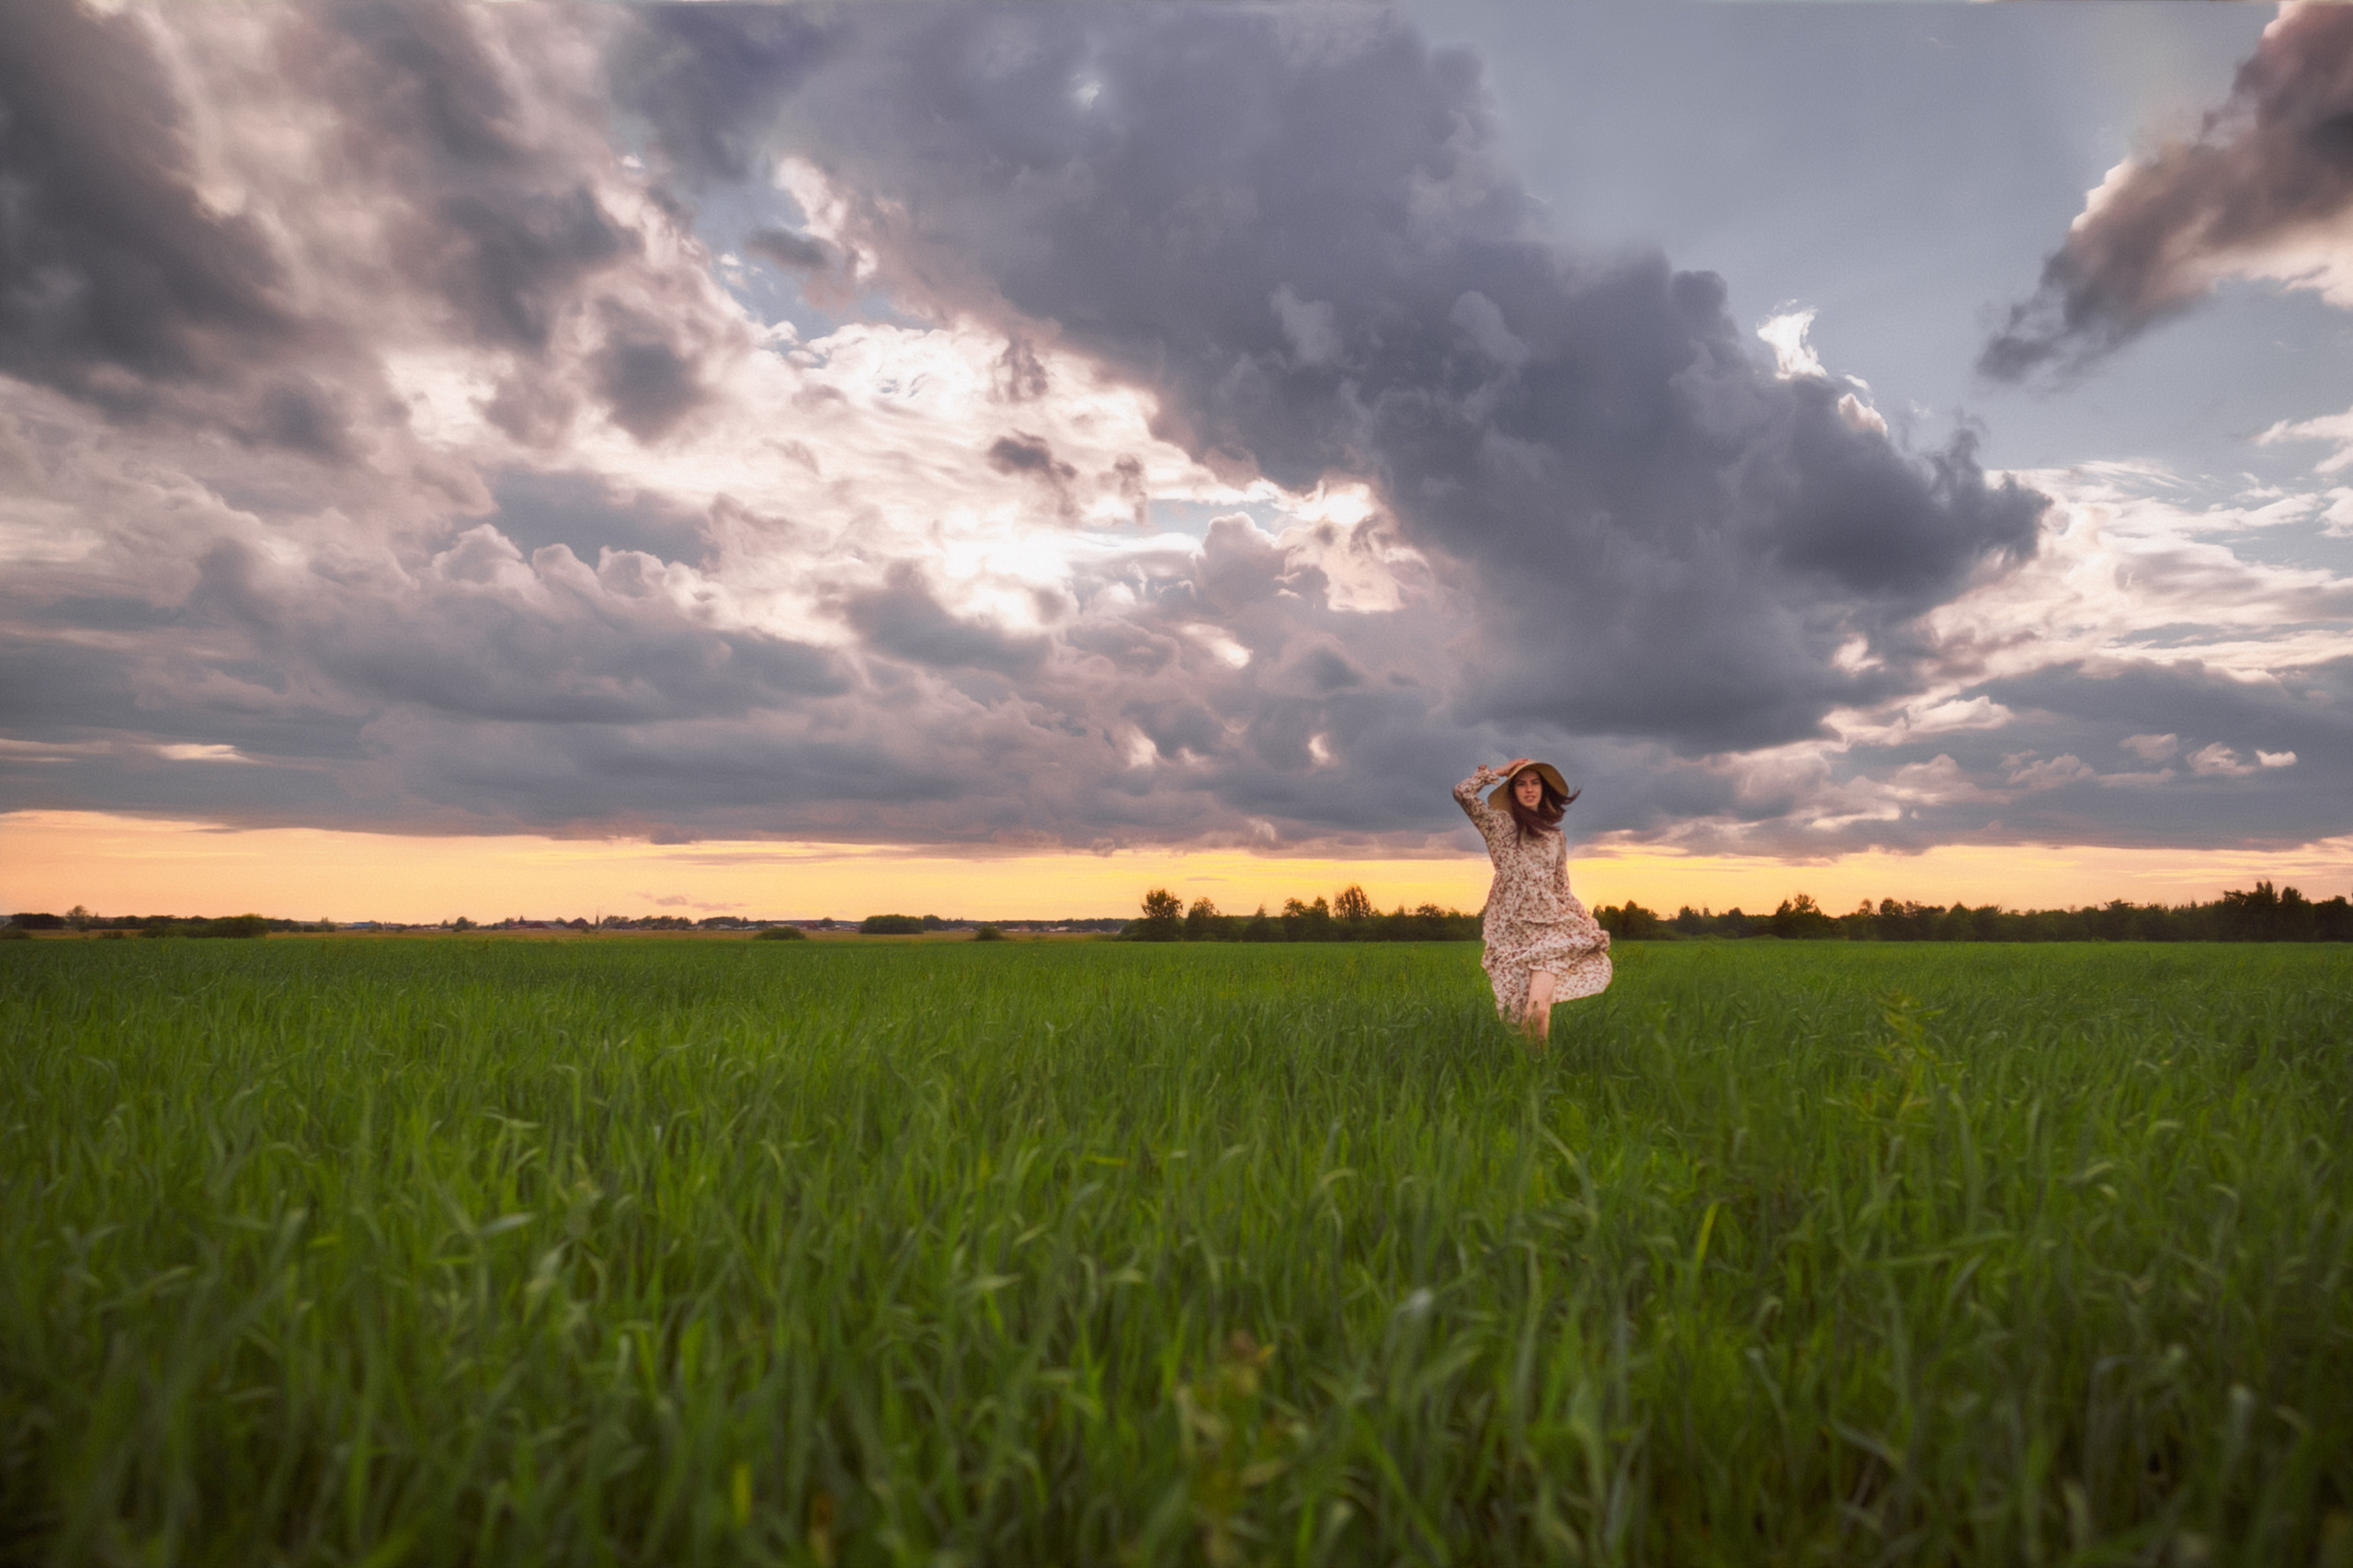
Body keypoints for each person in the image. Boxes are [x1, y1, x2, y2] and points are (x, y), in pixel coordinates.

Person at [1453, 757, 1611, 1041]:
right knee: (1520, 1014)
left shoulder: (1555, 836)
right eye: (1521, 784)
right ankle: (1529, 1071)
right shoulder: (1497, 825)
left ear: (1543, 788)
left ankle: (1539, 1074)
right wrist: (1498, 773)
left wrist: (1585, 924)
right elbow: (1462, 793)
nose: (1529, 789)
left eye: (1535, 783)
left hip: (1550, 930)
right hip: (1512, 932)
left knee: (1539, 1011)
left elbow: (1561, 888)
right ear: (1512, 791)